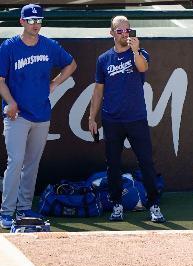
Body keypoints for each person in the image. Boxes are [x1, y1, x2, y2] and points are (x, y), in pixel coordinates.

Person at [0, 4, 77, 229]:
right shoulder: (9, 47)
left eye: (39, 20)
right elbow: (1, 80)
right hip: (17, 115)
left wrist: (55, 82)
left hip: (42, 114)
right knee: (15, 162)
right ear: (22, 22)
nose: (35, 24)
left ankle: (24, 208)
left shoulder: (49, 45)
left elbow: (71, 64)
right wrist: (11, 102)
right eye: (31, 20)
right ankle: (6, 211)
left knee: (31, 165)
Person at [89, 16, 165, 223]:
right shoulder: (104, 59)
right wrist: (92, 117)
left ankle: (154, 205)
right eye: (120, 31)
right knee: (113, 164)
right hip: (112, 119)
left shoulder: (139, 53)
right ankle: (116, 204)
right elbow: (98, 91)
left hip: (136, 118)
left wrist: (135, 50)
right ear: (112, 33)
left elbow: (143, 68)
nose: (125, 34)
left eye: (128, 31)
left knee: (146, 162)